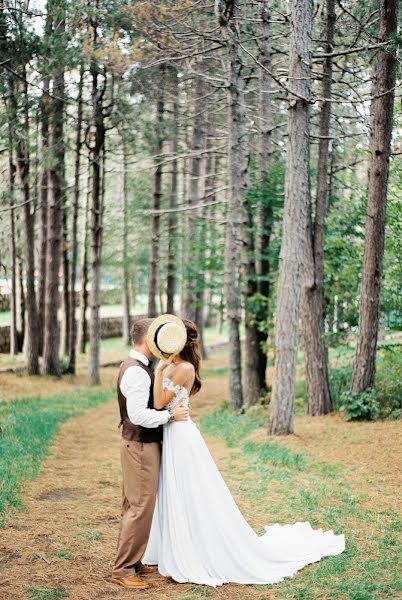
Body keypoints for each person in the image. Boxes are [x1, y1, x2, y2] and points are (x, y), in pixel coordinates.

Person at [143, 314, 345, 587]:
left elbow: (157, 402)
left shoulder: (185, 369)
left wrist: (157, 372)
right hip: (171, 429)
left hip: (181, 436)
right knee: (174, 489)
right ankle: (173, 544)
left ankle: (194, 549)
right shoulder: (173, 364)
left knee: (189, 491)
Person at [112, 317, 190, 590]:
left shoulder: (138, 366)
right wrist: (170, 415)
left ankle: (132, 561)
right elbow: (138, 415)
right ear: (149, 340)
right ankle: (123, 568)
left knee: (136, 505)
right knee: (140, 507)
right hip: (141, 445)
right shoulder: (136, 371)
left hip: (140, 444)